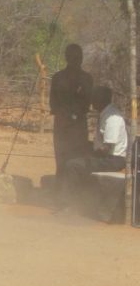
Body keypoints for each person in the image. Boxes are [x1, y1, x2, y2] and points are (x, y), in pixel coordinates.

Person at [57, 85, 128, 210]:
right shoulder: (105, 114)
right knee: (72, 154)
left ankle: (67, 204)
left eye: (94, 98)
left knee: (73, 165)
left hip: (113, 160)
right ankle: (77, 196)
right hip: (106, 156)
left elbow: (107, 148)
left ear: (102, 99)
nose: (92, 101)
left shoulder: (113, 118)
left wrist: (89, 155)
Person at [50, 44, 93, 184]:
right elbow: (87, 104)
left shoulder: (59, 77)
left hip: (68, 125)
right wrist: (72, 114)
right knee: (69, 159)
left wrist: (67, 114)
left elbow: (53, 104)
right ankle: (66, 195)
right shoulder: (86, 78)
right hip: (73, 125)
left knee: (69, 159)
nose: (76, 60)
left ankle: (66, 195)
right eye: (75, 57)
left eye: (77, 57)